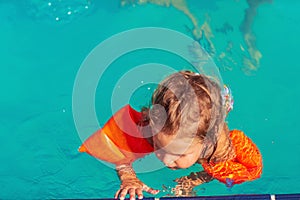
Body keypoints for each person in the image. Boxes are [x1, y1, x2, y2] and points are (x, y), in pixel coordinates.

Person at [79, 70, 262, 199]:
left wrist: (193, 180)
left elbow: (222, 168)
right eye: (160, 147)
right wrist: (128, 176)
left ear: (205, 142)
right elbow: (115, 148)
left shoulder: (216, 144)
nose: (166, 161)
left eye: (180, 154)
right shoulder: (153, 126)